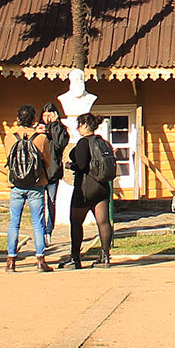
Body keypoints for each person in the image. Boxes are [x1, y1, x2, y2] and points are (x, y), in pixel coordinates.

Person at [4, 104, 52, 273]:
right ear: (33, 120)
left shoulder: (9, 137)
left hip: (16, 184)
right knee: (38, 223)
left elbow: (8, 160)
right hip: (36, 184)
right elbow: (47, 161)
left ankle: (11, 260)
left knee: (14, 223)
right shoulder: (41, 138)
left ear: (18, 119)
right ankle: (40, 259)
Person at [66, 112, 114, 269]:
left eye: (79, 125)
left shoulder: (83, 143)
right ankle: (105, 256)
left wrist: (70, 166)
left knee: (76, 222)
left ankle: (75, 258)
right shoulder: (103, 142)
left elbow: (81, 165)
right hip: (102, 187)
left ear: (85, 125)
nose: (78, 129)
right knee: (103, 221)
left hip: (85, 187)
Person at [39, 101, 71, 239]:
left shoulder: (60, 129)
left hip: (53, 172)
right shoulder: (38, 129)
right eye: (45, 115)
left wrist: (55, 125)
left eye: (49, 115)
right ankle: (40, 230)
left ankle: (49, 229)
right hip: (40, 172)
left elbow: (59, 144)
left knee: (51, 201)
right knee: (40, 203)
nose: (47, 118)